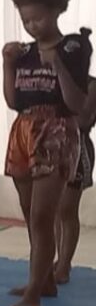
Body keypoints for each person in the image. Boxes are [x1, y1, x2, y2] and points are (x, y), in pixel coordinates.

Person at [4, 0, 92, 306]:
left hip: (56, 128)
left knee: (43, 215)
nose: (31, 26)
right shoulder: (24, 53)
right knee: (29, 214)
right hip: (24, 127)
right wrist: (7, 64)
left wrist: (56, 64)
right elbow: (14, 101)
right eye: (26, 20)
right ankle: (44, 279)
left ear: (55, 12)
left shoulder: (73, 47)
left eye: (37, 19)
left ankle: (34, 294)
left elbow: (78, 103)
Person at [55, 73, 96, 284]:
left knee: (67, 209)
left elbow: (84, 118)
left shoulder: (90, 84)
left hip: (78, 147)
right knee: (51, 209)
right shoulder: (54, 77)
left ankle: (64, 264)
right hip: (53, 144)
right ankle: (59, 259)